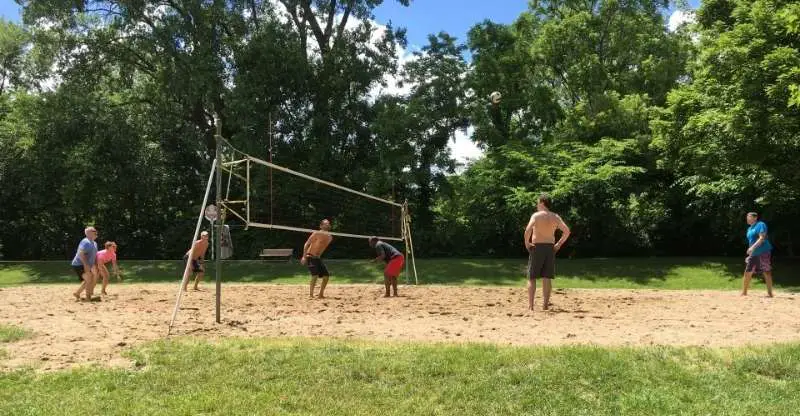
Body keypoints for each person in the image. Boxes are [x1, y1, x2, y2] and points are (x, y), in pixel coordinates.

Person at [523, 194, 570, 311]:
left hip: (537, 247)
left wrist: (527, 243)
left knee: (531, 277)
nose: (536, 205)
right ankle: (545, 305)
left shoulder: (536, 216)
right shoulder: (555, 217)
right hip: (550, 248)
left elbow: (528, 229)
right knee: (547, 277)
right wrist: (558, 245)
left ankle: (531, 306)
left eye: (538, 202)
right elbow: (567, 231)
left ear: (542, 203)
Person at [742, 212, 774, 297]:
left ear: (755, 218)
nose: (747, 219)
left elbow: (762, 238)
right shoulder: (749, 229)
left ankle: (770, 293)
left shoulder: (760, 224)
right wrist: (750, 254)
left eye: (749, 217)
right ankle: (744, 293)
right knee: (748, 272)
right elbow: (751, 242)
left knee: (766, 271)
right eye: (747, 217)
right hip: (754, 253)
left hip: (763, 251)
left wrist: (752, 248)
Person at [300, 219, 334, 299]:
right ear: (321, 226)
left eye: (328, 224)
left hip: (317, 258)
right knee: (315, 275)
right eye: (325, 224)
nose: (327, 225)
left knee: (326, 276)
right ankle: (311, 295)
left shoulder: (330, 237)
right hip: (310, 256)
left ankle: (320, 294)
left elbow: (322, 248)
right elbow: (306, 244)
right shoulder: (316, 233)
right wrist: (304, 256)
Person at [71, 226, 99, 301]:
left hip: (85, 264)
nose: (96, 232)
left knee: (90, 278)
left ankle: (77, 293)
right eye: (94, 231)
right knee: (89, 278)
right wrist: (86, 265)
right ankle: (88, 297)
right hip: (78, 264)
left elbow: (93, 256)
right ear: (88, 233)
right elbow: (81, 253)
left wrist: (94, 265)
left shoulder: (94, 243)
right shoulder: (85, 241)